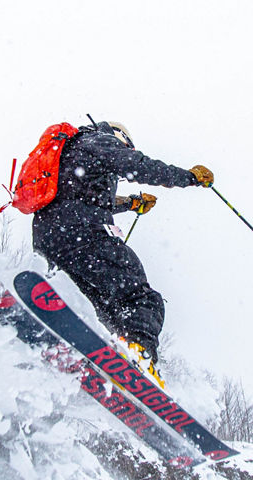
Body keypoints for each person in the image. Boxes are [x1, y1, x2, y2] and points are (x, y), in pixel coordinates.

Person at [31, 119, 214, 381]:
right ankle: (138, 356)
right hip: (85, 238)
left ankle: (92, 355)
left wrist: (131, 203)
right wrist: (189, 177)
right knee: (140, 298)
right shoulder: (100, 141)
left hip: (49, 241)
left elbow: (83, 198)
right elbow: (139, 166)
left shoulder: (66, 153)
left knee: (102, 309)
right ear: (120, 138)